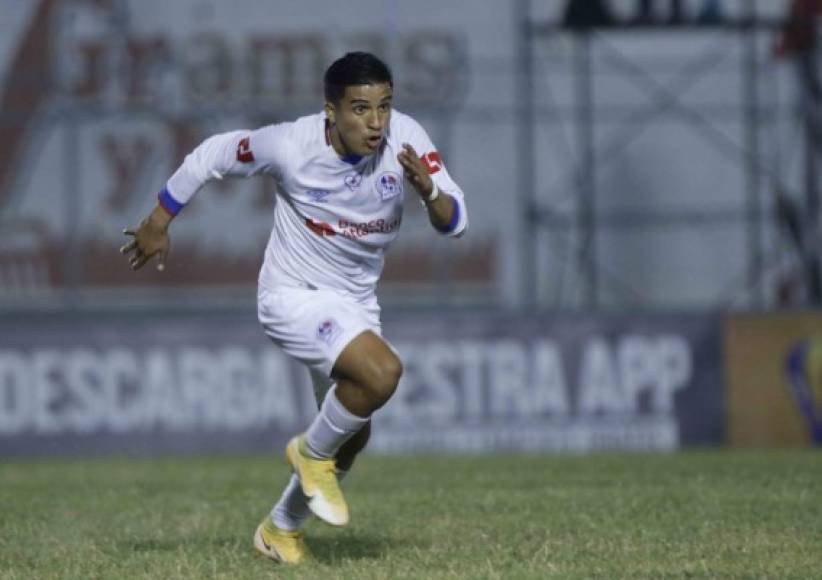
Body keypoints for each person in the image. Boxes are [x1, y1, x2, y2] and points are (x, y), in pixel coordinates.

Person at [120, 51, 468, 565]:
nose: (376, 123)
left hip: (354, 306)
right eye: (360, 109)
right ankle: (307, 451)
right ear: (331, 110)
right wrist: (158, 218)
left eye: (385, 107)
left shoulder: (407, 140)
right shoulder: (290, 145)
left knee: (354, 430)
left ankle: (279, 530)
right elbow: (213, 153)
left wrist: (430, 189)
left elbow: (455, 221)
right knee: (382, 374)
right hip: (292, 295)